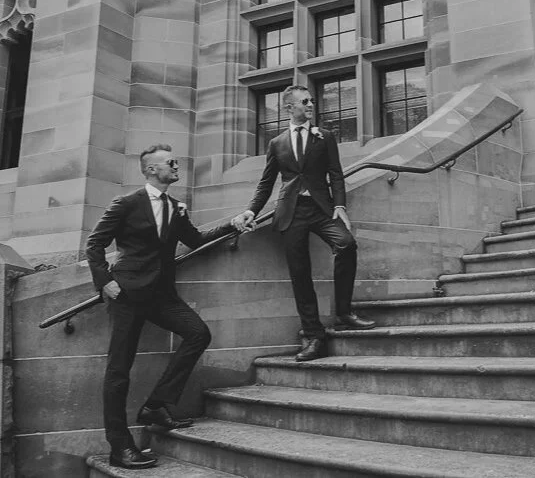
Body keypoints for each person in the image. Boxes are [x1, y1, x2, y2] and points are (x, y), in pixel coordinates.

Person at [86, 144, 240, 470]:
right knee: (118, 372)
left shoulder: (176, 207)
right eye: (170, 162)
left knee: (198, 333)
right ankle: (120, 446)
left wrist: (233, 224)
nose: (175, 165)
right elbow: (95, 243)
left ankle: (156, 405)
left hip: (162, 296)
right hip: (126, 295)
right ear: (152, 170)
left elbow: (196, 239)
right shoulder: (126, 204)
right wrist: (104, 282)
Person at [232, 84, 374, 363]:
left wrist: (340, 205)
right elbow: (266, 182)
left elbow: (335, 174)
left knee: (346, 245)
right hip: (290, 212)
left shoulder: (325, 136)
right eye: (305, 101)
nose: (311, 105)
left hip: (321, 208)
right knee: (300, 274)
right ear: (289, 107)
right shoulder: (277, 143)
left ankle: (344, 312)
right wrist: (251, 210)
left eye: (311, 100)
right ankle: (314, 335)